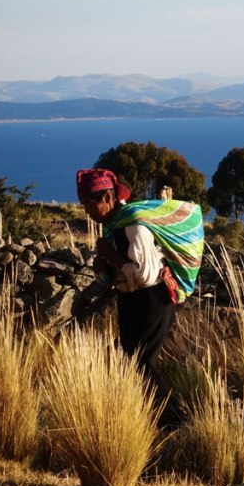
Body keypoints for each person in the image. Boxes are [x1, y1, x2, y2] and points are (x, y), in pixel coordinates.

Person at [76, 168, 198, 428]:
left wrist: (109, 255)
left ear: (107, 197)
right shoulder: (114, 227)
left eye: (89, 204)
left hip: (153, 298)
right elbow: (118, 275)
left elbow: (144, 273)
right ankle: (154, 421)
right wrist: (103, 270)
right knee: (129, 359)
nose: (86, 211)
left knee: (142, 361)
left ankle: (176, 424)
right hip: (131, 299)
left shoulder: (133, 224)